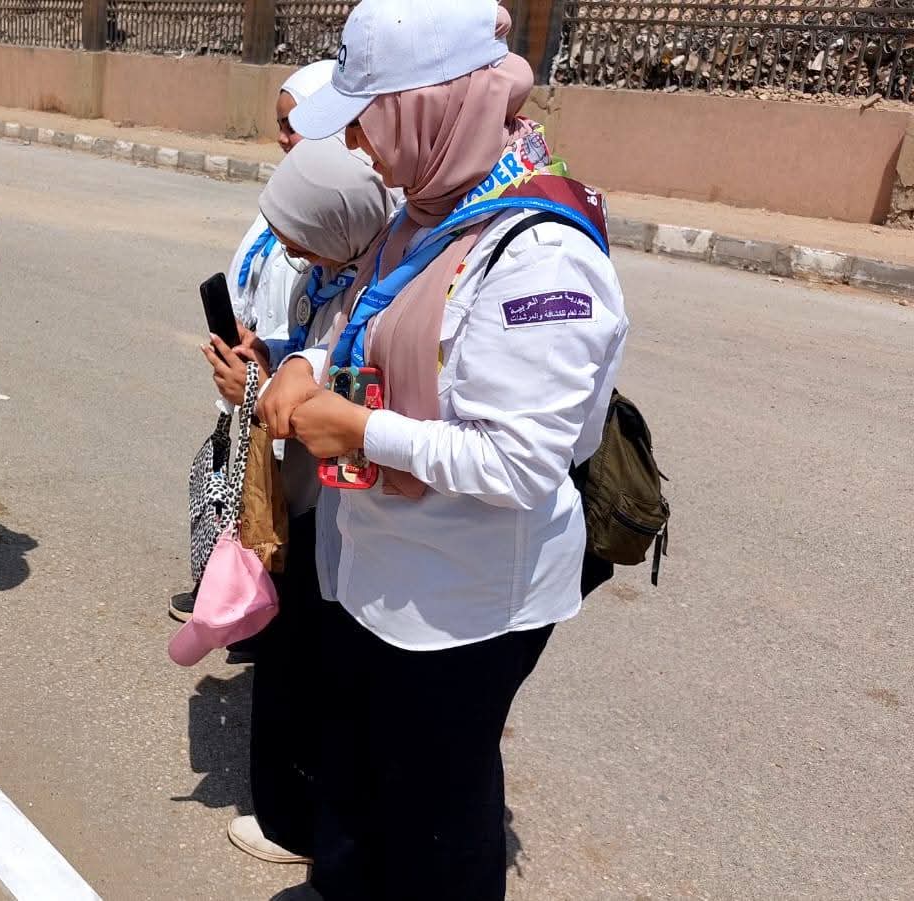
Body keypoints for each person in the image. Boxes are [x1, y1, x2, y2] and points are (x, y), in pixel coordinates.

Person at [257, 0, 629, 896]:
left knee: (436, 820)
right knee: (361, 784)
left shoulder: (538, 254)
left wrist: (357, 430)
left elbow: (518, 462)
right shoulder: (426, 208)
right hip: (379, 569)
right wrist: (305, 365)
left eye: (367, 121)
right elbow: (360, 311)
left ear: (429, 108)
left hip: (462, 605)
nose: (356, 149)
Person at [206, 137, 396, 869]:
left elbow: (333, 415)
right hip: (319, 513)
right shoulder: (354, 272)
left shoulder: (370, 294)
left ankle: (294, 826)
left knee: (304, 673)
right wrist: (269, 360)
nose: (293, 253)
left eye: (302, 240)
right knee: (301, 669)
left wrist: (255, 394)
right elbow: (313, 361)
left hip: (333, 519)